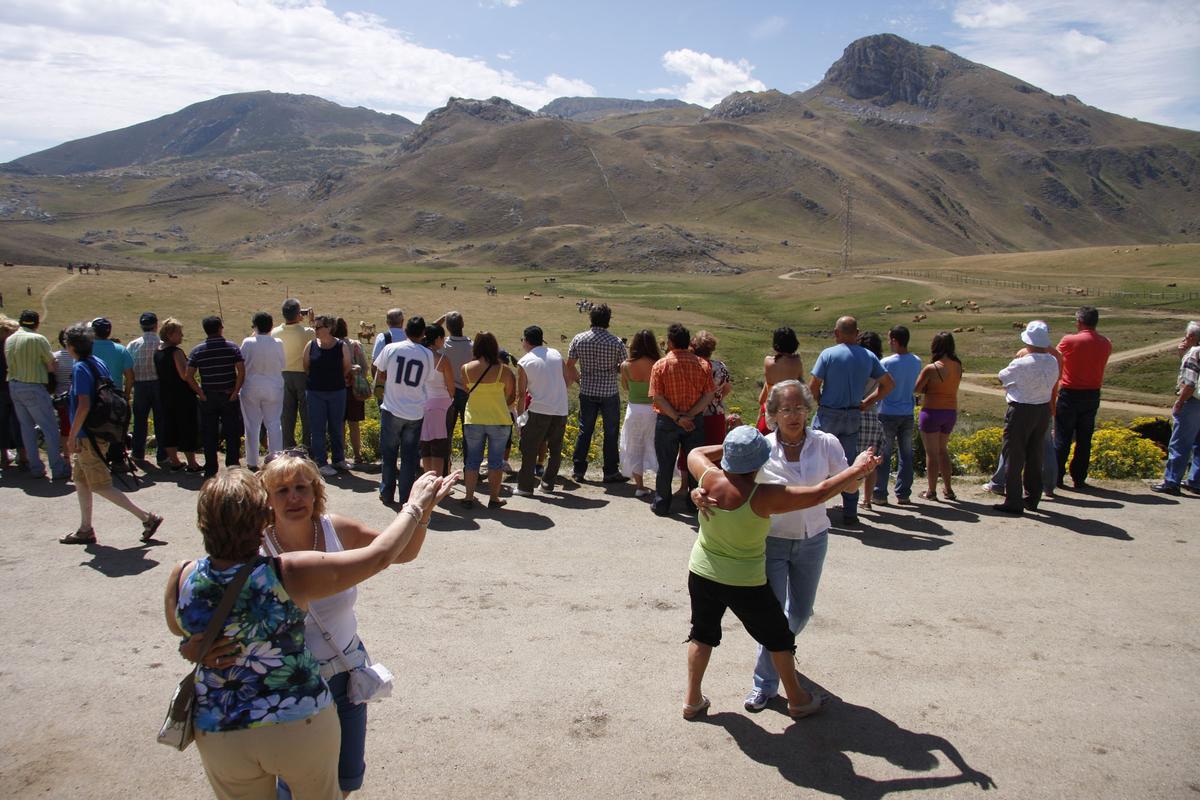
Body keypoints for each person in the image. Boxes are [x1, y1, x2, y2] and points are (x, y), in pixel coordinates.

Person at [164, 466, 457, 799]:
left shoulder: (182, 575)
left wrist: (193, 649)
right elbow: (380, 556)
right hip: (296, 719)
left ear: (202, 520)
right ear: (263, 514)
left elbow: (183, 630)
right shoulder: (288, 571)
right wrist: (415, 505)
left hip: (220, 725)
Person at [254, 453, 452, 797]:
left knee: (345, 779)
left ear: (316, 492)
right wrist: (413, 508)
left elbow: (400, 552)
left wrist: (425, 511)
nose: (294, 497)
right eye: (282, 490)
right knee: (297, 783)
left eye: (301, 487)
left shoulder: (334, 528)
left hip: (346, 673)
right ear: (267, 499)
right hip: (292, 686)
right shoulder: (256, 548)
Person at [681, 425, 880, 720]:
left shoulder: (708, 478)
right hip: (744, 580)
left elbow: (695, 453)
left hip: (702, 572)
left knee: (702, 635)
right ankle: (798, 699)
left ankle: (692, 700)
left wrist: (732, 449)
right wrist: (858, 468)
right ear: (760, 463)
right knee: (778, 638)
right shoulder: (762, 496)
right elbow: (819, 493)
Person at [720, 381, 850, 710]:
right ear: (773, 414)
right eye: (785, 409)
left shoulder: (826, 444)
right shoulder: (763, 449)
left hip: (813, 539)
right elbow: (736, 484)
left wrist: (862, 471)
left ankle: (782, 652)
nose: (793, 415)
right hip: (772, 542)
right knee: (773, 617)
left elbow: (847, 483)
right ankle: (764, 684)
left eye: (799, 408)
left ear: (809, 409)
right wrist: (700, 493)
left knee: (801, 612)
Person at [57, 322, 164, 545]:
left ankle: (146, 517)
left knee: (99, 484)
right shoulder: (97, 363)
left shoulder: (80, 368)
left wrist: (72, 435)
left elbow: (83, 404)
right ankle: (85, 528)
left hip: (87, 435)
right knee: (81, 479)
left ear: (72, 346)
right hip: (99, 429)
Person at [809, 316, 893, 523]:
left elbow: (813, 386)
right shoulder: (868, 356)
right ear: (856, 333)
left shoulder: (828, 354)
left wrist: (820, 401)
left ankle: (811, 508)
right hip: (853, 413)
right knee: (848, 464)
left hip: (828, 413)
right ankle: (850, 511)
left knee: (816, 458)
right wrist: (867, 402)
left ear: (837, 333)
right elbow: (888, 384)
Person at [993, 321, 1060, 514]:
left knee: (1014, 455)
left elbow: (1002, 377)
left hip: (1021, 410)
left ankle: (1013, 499)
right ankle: (1032, 497)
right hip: (1042, 409)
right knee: (1035, 454)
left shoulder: (1021, 362)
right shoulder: (1052, 361)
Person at [649, 323, 715, 516]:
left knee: (665, 464)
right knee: (696, 465)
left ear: (670, 342)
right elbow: (709, 395)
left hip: (668, 421)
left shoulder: (660, 365)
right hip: (694, 421)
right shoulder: (702, 364)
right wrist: (690, 415)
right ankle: (695, 503)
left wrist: (677, 417)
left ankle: (662, 503)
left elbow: (657, 397)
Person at [375, 316, 436, 503]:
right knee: (409, 458)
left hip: (392, 407)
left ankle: (386, 492)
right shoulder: (427, 354)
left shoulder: (391, 348)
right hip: (415, 411)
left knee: (389, 454)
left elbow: (380, 373)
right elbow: (428, 379)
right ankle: (406, 496)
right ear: (423, 333)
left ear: (406, 331)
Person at [566, 303, 628, 483]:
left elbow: (569, 365)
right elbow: (624, 368)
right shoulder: (616, 342)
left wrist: (580, 380)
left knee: (585, 430)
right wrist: (612, 369)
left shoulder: (579, 339)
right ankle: (610, 471)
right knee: (610, 431)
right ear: (608, 320)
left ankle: (578, 470)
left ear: (590, 318)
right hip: (608, 391)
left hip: (587, 390)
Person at [4, 309, 69, 480]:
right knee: (50, 428)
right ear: (37, 324)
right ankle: (58, 467)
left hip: (14, 385)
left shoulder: (10, 339)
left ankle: (35, 467)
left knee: (26, 428)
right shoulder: (37, 339)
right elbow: (50, 365)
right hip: (33, 386)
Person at [1054, 306, 1113, 490]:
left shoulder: (1069, 340)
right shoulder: (1105, 342)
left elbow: (1054, 356)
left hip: (1070, 392)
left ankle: (1056, 476)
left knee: (1063, 436)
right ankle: (1079, 477)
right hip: (1092, 394)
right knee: (1084, 438)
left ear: (1079, 322)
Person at [460, 331, 516, 508]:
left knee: (472, 461)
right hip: (499, 419)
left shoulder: (466, 369)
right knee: (496, 461)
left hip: (474, 418)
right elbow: (511, 397)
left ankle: (469, 497)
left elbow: (467, 390)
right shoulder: (504, 371)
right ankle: (494, 498)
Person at [187, 316, 245, 478]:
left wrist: (200, 393)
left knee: (209, 433)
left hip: (208, 397)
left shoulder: (198, 350)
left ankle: (211, 467)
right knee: (232, 432)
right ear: (220, 328)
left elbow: (188, 375)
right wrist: (236, 391)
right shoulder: (232, 347)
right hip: (228, 396)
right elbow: (241, 370)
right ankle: (233, 464)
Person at [515, 325, 569, 496]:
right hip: (560, 408)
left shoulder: (525, 361)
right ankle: (547, 483)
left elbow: (521, 394)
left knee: (529, 448)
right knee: (555, 449)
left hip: (539, 409)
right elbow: (566, 378)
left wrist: (520, 416)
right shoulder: (556, 354)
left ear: (527, 341)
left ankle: (525, 486)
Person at [1150, 321, 1200, 495]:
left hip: (1192, 402)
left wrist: (1180, 402)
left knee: (1180, 443)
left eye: (1187, 336)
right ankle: (1196, 481)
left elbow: (1190, 382)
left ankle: (1172, 481)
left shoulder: (1194, 352)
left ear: (1193, 337)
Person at [874, 325, 921, 506]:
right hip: (907, 412)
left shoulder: (886, 362)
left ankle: (879, 493)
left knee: (883, 454)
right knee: (906, 454)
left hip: (887, 412)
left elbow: (881, 386)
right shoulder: (916, 361)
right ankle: (903, 493)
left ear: (894, 340)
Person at [914, 331, 963, 501]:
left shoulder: (932, 368)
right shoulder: (957, 365)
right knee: (943, 451)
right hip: (950, 411)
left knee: (931, 454)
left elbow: (917, 388)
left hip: (932, 411)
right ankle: (948, 489)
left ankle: (931, 490)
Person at [303, 315, 352, 477]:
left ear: (329, 328)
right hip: (315, 393)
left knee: (337, 426)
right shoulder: (310, 345)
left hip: (337, 392)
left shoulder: (340, 346)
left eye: (318, 327)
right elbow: (306, 367)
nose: (315, 330)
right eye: (314, 327)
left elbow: (346, 367)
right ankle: (321, 461)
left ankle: (339, 459)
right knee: (317, 428)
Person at [154, 318, 202, 472]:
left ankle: (174, 461)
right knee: (187, 427)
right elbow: (185, 375)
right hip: (181, 396)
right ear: (170, 334)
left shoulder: (158, 351)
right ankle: (192, 463)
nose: (182, 336)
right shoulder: (176, 352)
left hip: (165, 394)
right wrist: (199, 390)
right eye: (179, 333)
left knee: (169, 427)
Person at [239, 312, 286, 470]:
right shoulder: (277, 342)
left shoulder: (248, 342)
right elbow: (282, 363)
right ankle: (276, 458)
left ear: (255, 326)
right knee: (274, 423)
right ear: (271, 326)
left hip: (251, 386)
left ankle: (252, 460)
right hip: (273, 387)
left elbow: (241, 363)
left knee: (252, 425)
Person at [618, 329, 661, 497]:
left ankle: (640, 486)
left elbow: (626, 387)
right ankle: (661, 483)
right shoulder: (658, 363)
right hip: (654, 409)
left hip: (634, 409)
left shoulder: (626, 365)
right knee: (656, 446)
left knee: (635, 446)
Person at [272, 299, 315, 450]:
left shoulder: (275, 332)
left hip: (283, 375)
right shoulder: (307, 332)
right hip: (302, 375)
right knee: (306, 413)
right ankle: (307, 445)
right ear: (298, 314)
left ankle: (287, 445)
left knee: (287, 413)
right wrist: (311, 321)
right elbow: (316, 339)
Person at [126, 312, 167, 466]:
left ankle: (137, 453)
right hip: (158, 385)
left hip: (140, 385)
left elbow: (128, 367)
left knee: (140, 421)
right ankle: (162, 454)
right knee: (160, 420)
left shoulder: (133, 344)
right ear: (156, 325)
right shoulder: (161, 343)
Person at [419, 323, 456, 476]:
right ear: (438, 338)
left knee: (425, 446)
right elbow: (451, 387)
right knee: (439, 448)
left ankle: (428, 480)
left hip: (422, 404)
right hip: (441, 405)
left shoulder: (419, 355)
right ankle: (438, 481)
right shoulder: (442, 359)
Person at [437, 311, 473, 468]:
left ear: (448, 328)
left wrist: (441, 319)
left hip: (448, 392)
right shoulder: (472, 346)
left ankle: (445, 468)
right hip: (467, 392)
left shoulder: (443, 345)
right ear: (463, 325)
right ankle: (470, 468)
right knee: (469, 434)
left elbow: (427, 331)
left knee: (446, 433)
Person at [856, 331, 886, 510]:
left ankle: (849, 499)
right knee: (871, 460)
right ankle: (867, 499)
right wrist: (872, 400)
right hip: (873, 413)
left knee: (853, 459)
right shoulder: (878, 366)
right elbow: (886, 385)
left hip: (858, 411)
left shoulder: (859, 364)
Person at [335, 318, 370, 467]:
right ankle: (357, 455)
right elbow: (365, 367)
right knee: (354, 424)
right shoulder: (356, 344)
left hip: (337, 389)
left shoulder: (332, 345)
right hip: (355, 389)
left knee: (339, 424)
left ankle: (341, 456)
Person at [756, 326, 804, 433]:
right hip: (790, 407)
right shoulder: (797, 362)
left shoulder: (768, 361)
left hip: (772, 407)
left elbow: (768, 383)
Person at [0, 316, 27, 469]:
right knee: (19, 421)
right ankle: (22, 455)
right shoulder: (12, 345)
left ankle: (3, 456)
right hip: (13, 385)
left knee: (1, 423)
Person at [89, 317, 134, 398]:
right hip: (115, 398)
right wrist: (126, 396)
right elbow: (130, 377)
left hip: (92, 397)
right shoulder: (121, 349)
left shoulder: (85, 349)